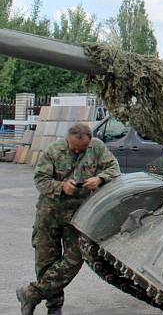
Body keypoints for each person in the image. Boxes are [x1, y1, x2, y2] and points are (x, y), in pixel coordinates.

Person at [17, 122, 121, 315]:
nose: (77, 151)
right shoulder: (53, 150)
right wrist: (61, 187)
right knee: (46, 260)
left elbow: (114, 168)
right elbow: (40, 180)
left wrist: (100, 179)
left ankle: (32, 293)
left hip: (79, 216)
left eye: (81, 149)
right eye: (74, 147)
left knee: (75, 258)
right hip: (50, 213)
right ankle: (53, 307)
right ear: (67, 139)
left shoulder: (97, 147)